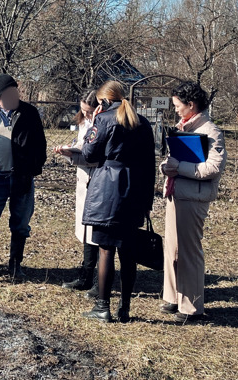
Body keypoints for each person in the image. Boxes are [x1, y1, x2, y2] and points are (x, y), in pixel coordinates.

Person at [81, 80, 155, 323]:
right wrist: (147, 200)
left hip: (108, 192)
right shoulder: (143, 123)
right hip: (135, 191)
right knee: (128, 251)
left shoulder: (103, 120)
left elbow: (89, 153)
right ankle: (125, 308)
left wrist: (94, 123)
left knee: (105, 250)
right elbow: (150, 163)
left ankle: (103, 306)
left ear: (103, 101)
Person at [160, 81, 226, 322]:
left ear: (191, 104)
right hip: (175, 193)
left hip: (193, 197)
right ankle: (172, 297)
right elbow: (173, 159)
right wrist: (166, 167)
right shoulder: (182, 126)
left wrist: (179, 168)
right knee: (172, 249)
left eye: (178, 104)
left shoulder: (211, 131)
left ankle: (191, 307)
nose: (175, 108)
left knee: (188, 251)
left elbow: (213, 168)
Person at [0, 73, 47, 279]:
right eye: (10, 93)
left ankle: (15, 264)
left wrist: (30, 170)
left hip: (21, 177)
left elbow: (40, 146)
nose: (15, 96)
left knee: (21, 223)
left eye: (16, 92)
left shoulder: (29, 113)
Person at [53, 90, 99, 292]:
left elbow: (94, 154)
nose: (86, 115)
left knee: (96, 232)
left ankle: (96, 277)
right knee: (86, 231)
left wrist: (72, 154)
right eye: (83, 111)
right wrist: (68, 150)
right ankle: (86, 273)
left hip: (96, 180)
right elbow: (82, 145)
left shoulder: (104, 124)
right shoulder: (84, 123)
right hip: (83, 179)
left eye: (89, 112)